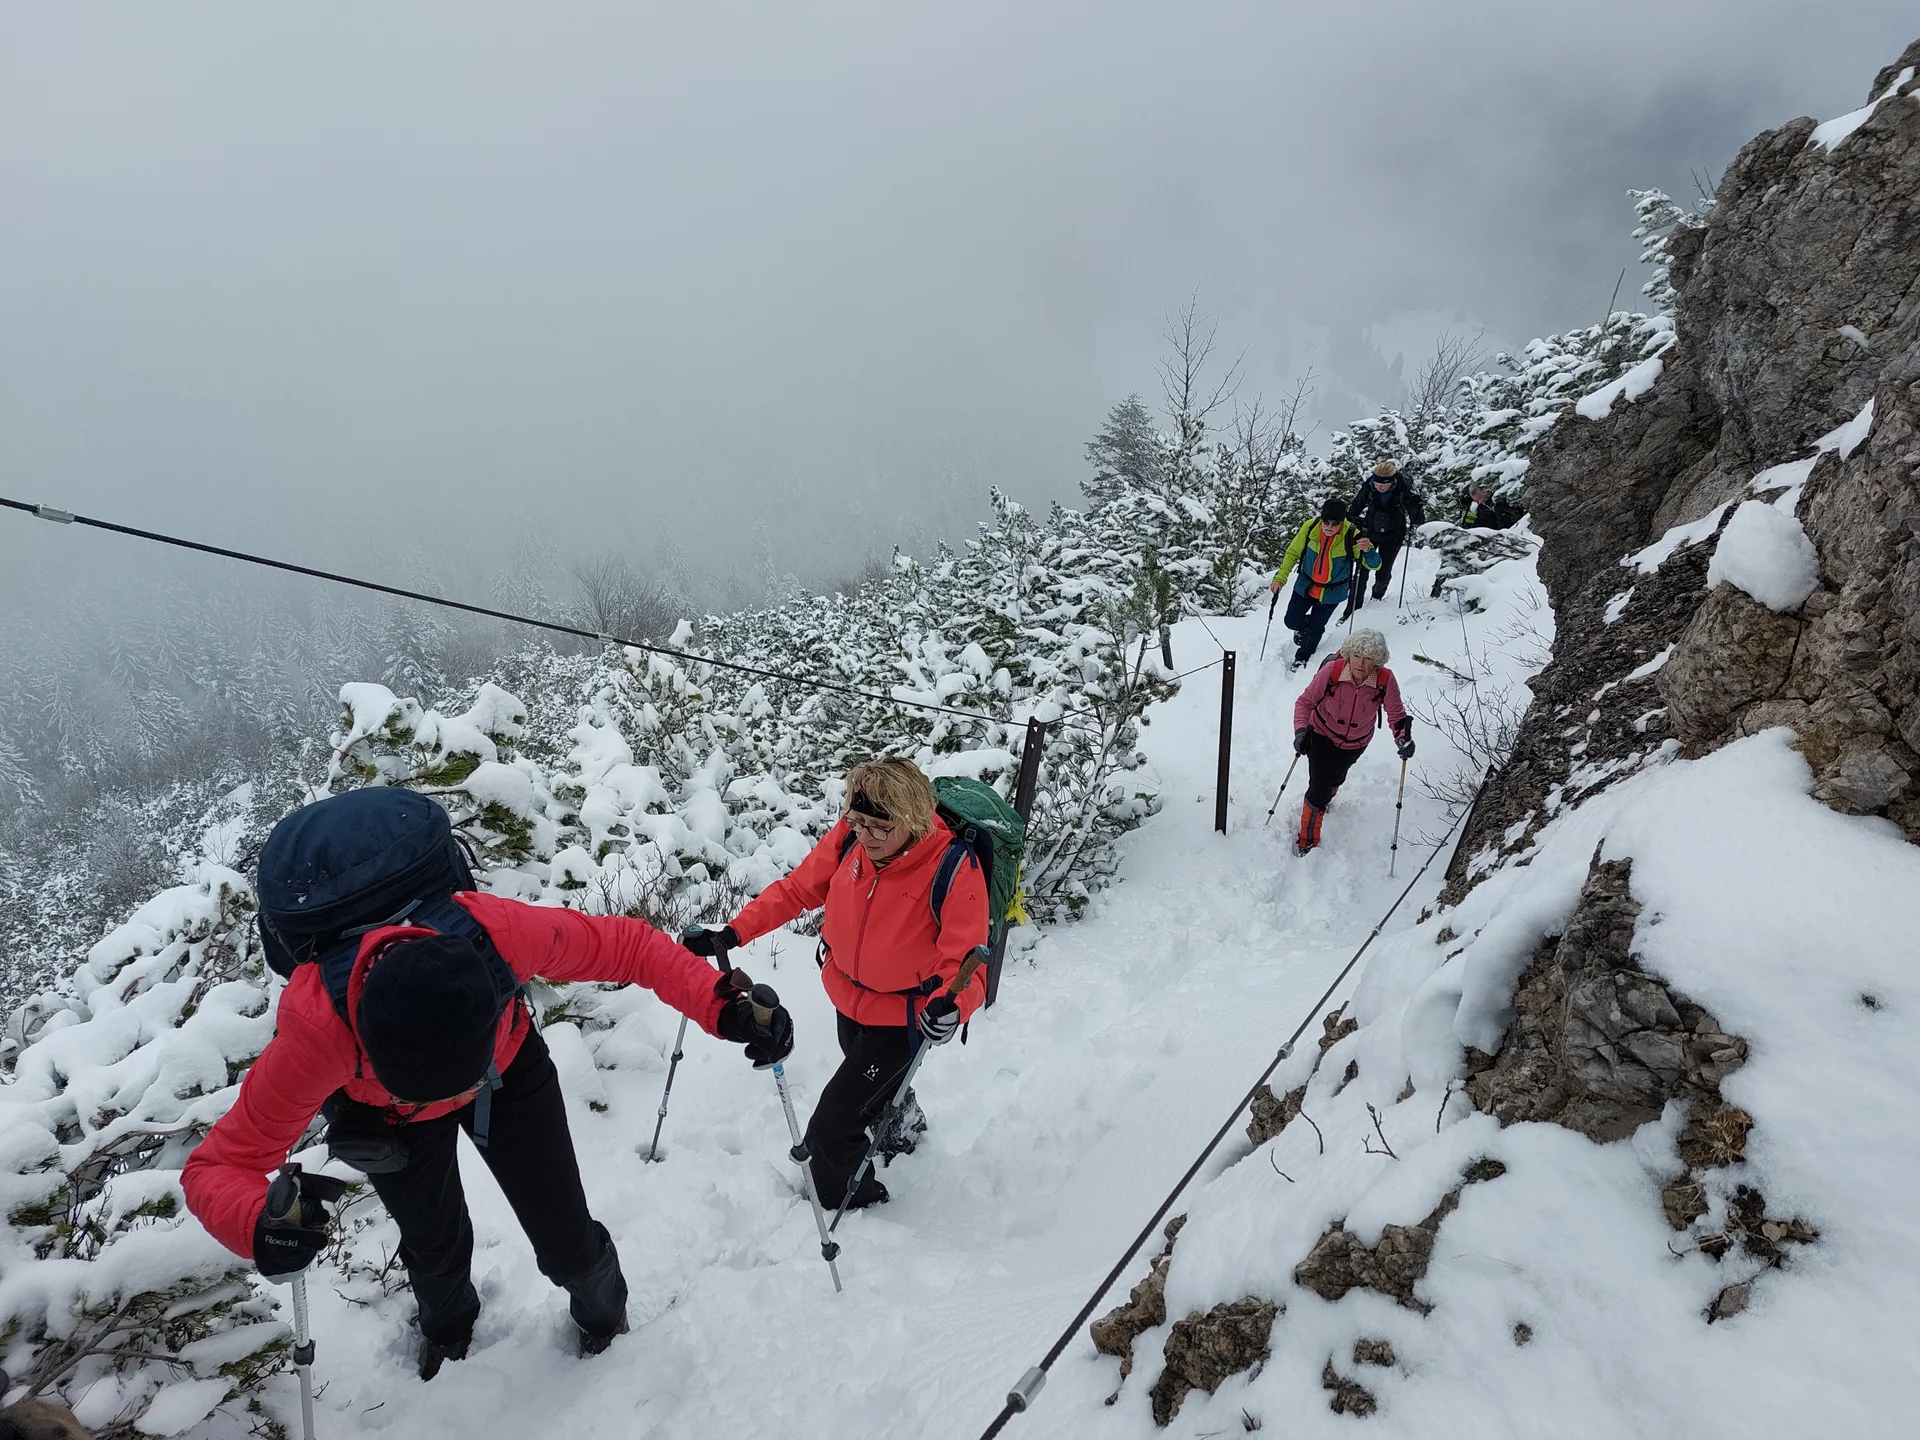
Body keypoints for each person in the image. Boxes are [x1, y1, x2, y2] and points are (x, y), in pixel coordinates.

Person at [182, 892, 792, 1379]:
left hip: (505, 1071)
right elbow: (217, 1166)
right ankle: (448, 1332)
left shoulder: (495, 935)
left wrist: (722, 1008)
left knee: (566, 1236)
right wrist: (260, 1227)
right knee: (432, 1243)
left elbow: (629, 947)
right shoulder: (321, 1030)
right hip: (389, 1119)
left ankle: (604, 1316)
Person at [687, 758, 989, 1213]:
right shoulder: (852, 839)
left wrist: (953, 1006)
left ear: (910, 821)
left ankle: (857, 1204)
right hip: (846, 997)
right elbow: (797, 890)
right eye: (857, 821)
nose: (864, 836)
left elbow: (966, 962)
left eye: (878, 828)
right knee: (869, 1084)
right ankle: (900, 1125)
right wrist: (731, 933)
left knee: (829, 1132)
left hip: (904, 1018)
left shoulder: (953, 867)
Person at [1289, 628, 1414, 856]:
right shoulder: (1332, 672)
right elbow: (1305, 702)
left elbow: (1396, 714)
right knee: (1319, 789)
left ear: (1377, 660)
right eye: (1356, 655)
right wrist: (1300, 732)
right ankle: (1307, 840)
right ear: (1349, 654)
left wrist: (1402, 738)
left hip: (1356, 743)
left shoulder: (1385, 680)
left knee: (1337, 777)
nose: (1361, 663)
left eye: (1368, 658)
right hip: (1321, 735)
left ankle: (1327, 793)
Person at [1269, 497, 1380, 672]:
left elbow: (1374, 565)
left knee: (1316, 628)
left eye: (1335, 523)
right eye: (1326, 522)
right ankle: (1304, 627)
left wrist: (1369, 550)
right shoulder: (1310, 528)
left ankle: (1302, 657)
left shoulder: (1353, 535)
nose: (1329, 527)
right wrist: (1280, 578)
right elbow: (1292, 552)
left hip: (1333, 592)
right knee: (1291, 621)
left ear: (1342, 522)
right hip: (1305, 586)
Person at [1345, 460, 1427, 611]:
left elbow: (1418, 519)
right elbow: (1356, 506)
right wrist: (1353, 521)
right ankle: (1352, 608)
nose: (1379, 487)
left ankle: (1376, 599)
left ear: (1392, 481)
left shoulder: (1404, 488)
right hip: (1369, 532)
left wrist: (1416, 508)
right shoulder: (1369, 486)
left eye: (1383, 484)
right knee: (1361, 571)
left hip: (1394, 535)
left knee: (1383, 572)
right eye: (1377, 484)